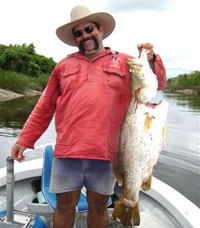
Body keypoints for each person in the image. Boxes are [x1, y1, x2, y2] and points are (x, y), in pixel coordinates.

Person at [11, 5, 166, 228]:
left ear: (100, 30)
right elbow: (44, 106)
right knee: (64, 205)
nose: (85, 35)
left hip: (106, 152)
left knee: (100, 205)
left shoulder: (125, 61)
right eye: (79, 33)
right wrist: (24, 140)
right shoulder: (63, 66)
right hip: (67, 151)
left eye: (89, 29)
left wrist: (151, 58)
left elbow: (156, 84)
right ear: (75, 39)